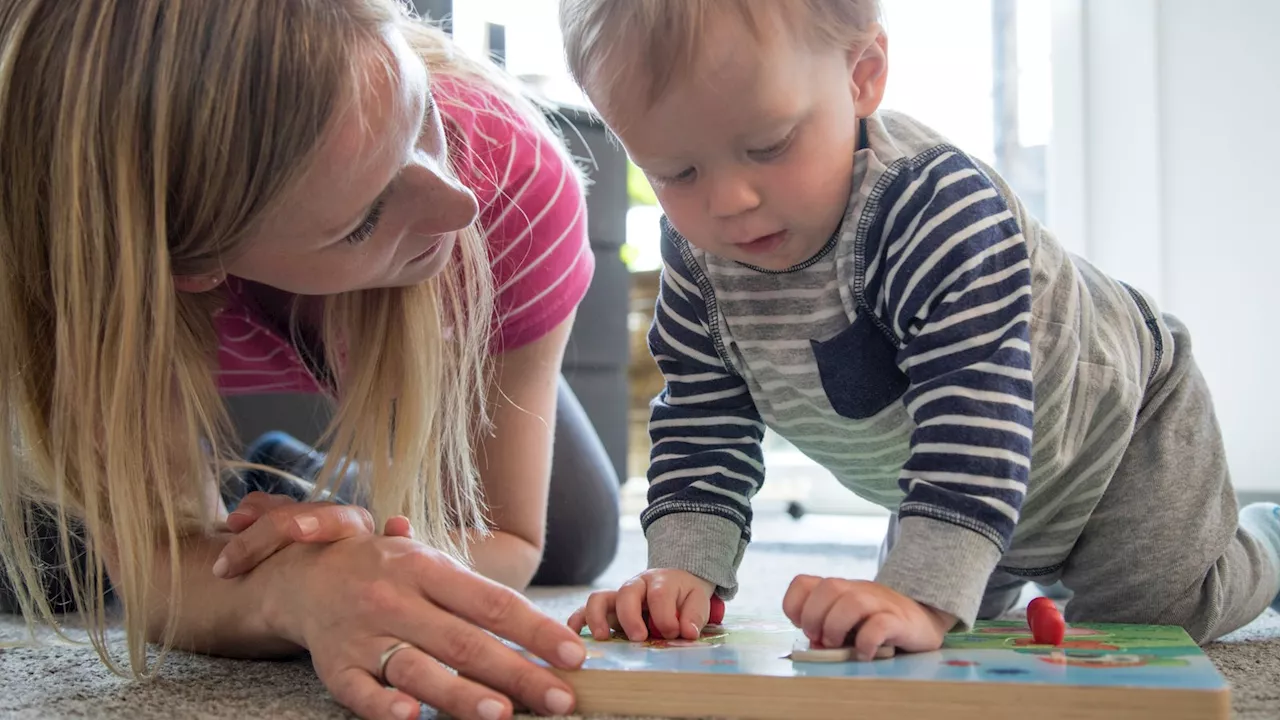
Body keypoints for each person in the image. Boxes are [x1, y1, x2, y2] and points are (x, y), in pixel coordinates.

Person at [558, 0, 1280, 658]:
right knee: (894, 640)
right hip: (939, 472)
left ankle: (1267, 541)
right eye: (675, 171)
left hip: (1115, 437)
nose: (730, 201)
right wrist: (682, 568)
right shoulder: (698, 259)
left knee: (1149, 617)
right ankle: (1013, 567)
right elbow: (702, 419)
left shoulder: (932, 208)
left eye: (770, 145)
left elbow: (976, 407)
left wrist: (925, 592)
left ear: (862, 75)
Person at [0, 3, 614, 719]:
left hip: (450, 328)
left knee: (577, 535)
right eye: (362, 218)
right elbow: (156, 573)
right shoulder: (95, 272)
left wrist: (341, 561)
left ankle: (294, 484)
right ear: (194, 266)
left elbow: (512, 538)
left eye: (421, 118)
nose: (459, 206)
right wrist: (300, 588)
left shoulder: (509, 176)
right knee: (50, 560)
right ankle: (294, 494)